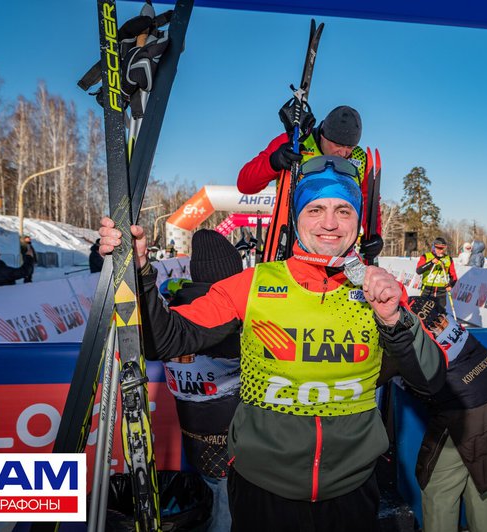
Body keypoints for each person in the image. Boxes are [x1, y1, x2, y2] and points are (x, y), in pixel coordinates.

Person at [99, 156, 446, 532]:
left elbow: (430, 380)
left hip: (351, 491)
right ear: (297, 218)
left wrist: (394, 319)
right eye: (315, 209)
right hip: (262, 491)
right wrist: (139, 273)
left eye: (343, 210)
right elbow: (163, 339)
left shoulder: (380, 290)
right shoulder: (253, 284)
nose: (330, 223)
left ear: (358, 221)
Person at [401, 296, 487, 532]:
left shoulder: (400, 318)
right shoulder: (420, 302)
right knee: (485, 480)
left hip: (467, 406)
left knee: (439, 486)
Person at [159, 229, 243, 532]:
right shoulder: (228, 320)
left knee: (214, 497)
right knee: (226, 506)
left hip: (194, 435)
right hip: (231, 439)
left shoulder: (174, 314)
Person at [237, 105, 382, 260]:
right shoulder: (294, 142)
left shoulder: (360, 159)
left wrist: (374, 235)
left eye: (350, 147)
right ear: (323, 135)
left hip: (335, 242)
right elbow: (245, 184)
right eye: (338, 145)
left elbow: (367, 201)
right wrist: (273, 162)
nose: (343, 153)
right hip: (288, 239)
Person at [416, 237, 458, 312]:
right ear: (433, 247)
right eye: (438, 248)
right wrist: (431, 262)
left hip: (441, 292)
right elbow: (419, 270)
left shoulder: (448, 259)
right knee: (423, 313)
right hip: (427, 290)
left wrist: (450, 285)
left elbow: (454, 277)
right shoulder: (426, 256)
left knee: (439, 314)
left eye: (443, 248)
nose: (441, 251)